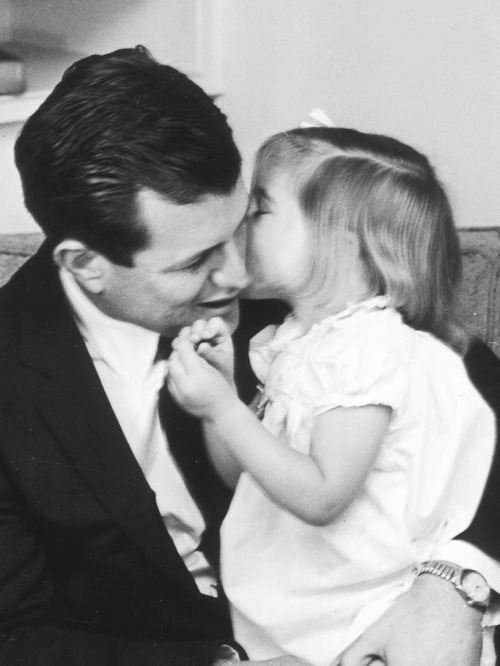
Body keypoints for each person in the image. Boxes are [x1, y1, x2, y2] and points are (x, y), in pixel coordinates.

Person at [0, 44, 497, 666]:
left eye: (240, 222)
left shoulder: (301, 277)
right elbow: (15, 634)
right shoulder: (11, 378)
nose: (236, 274)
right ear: (85, 265)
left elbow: (471, 380)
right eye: (193, 263)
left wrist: (456, 580)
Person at [166, 128, 499, 665]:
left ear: (339, 244)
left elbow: (324, 494)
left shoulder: (365, 351)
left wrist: (225, 409)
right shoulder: (295, 344)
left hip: (367, 622)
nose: (241, 225)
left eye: (261, 209)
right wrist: (222, 399)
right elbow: (247, 477)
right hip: (300, 618)